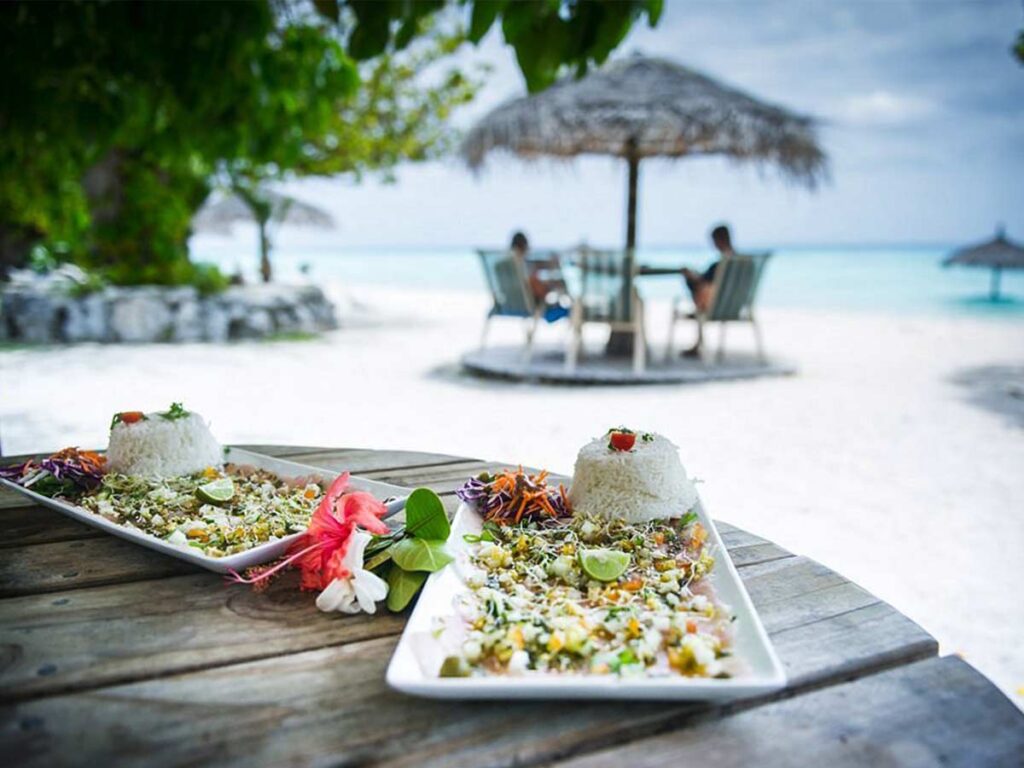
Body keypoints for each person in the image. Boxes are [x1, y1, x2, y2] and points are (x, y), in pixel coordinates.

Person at [679, 224, 735, 357]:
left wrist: (690, 275)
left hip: (714, 306)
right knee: (699, 286)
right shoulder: (742, 264)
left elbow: (702, 280)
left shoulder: (721, 265)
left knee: (694, 284)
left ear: (719, 240)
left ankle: (698, 340)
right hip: (734, 305)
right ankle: (699, 339)